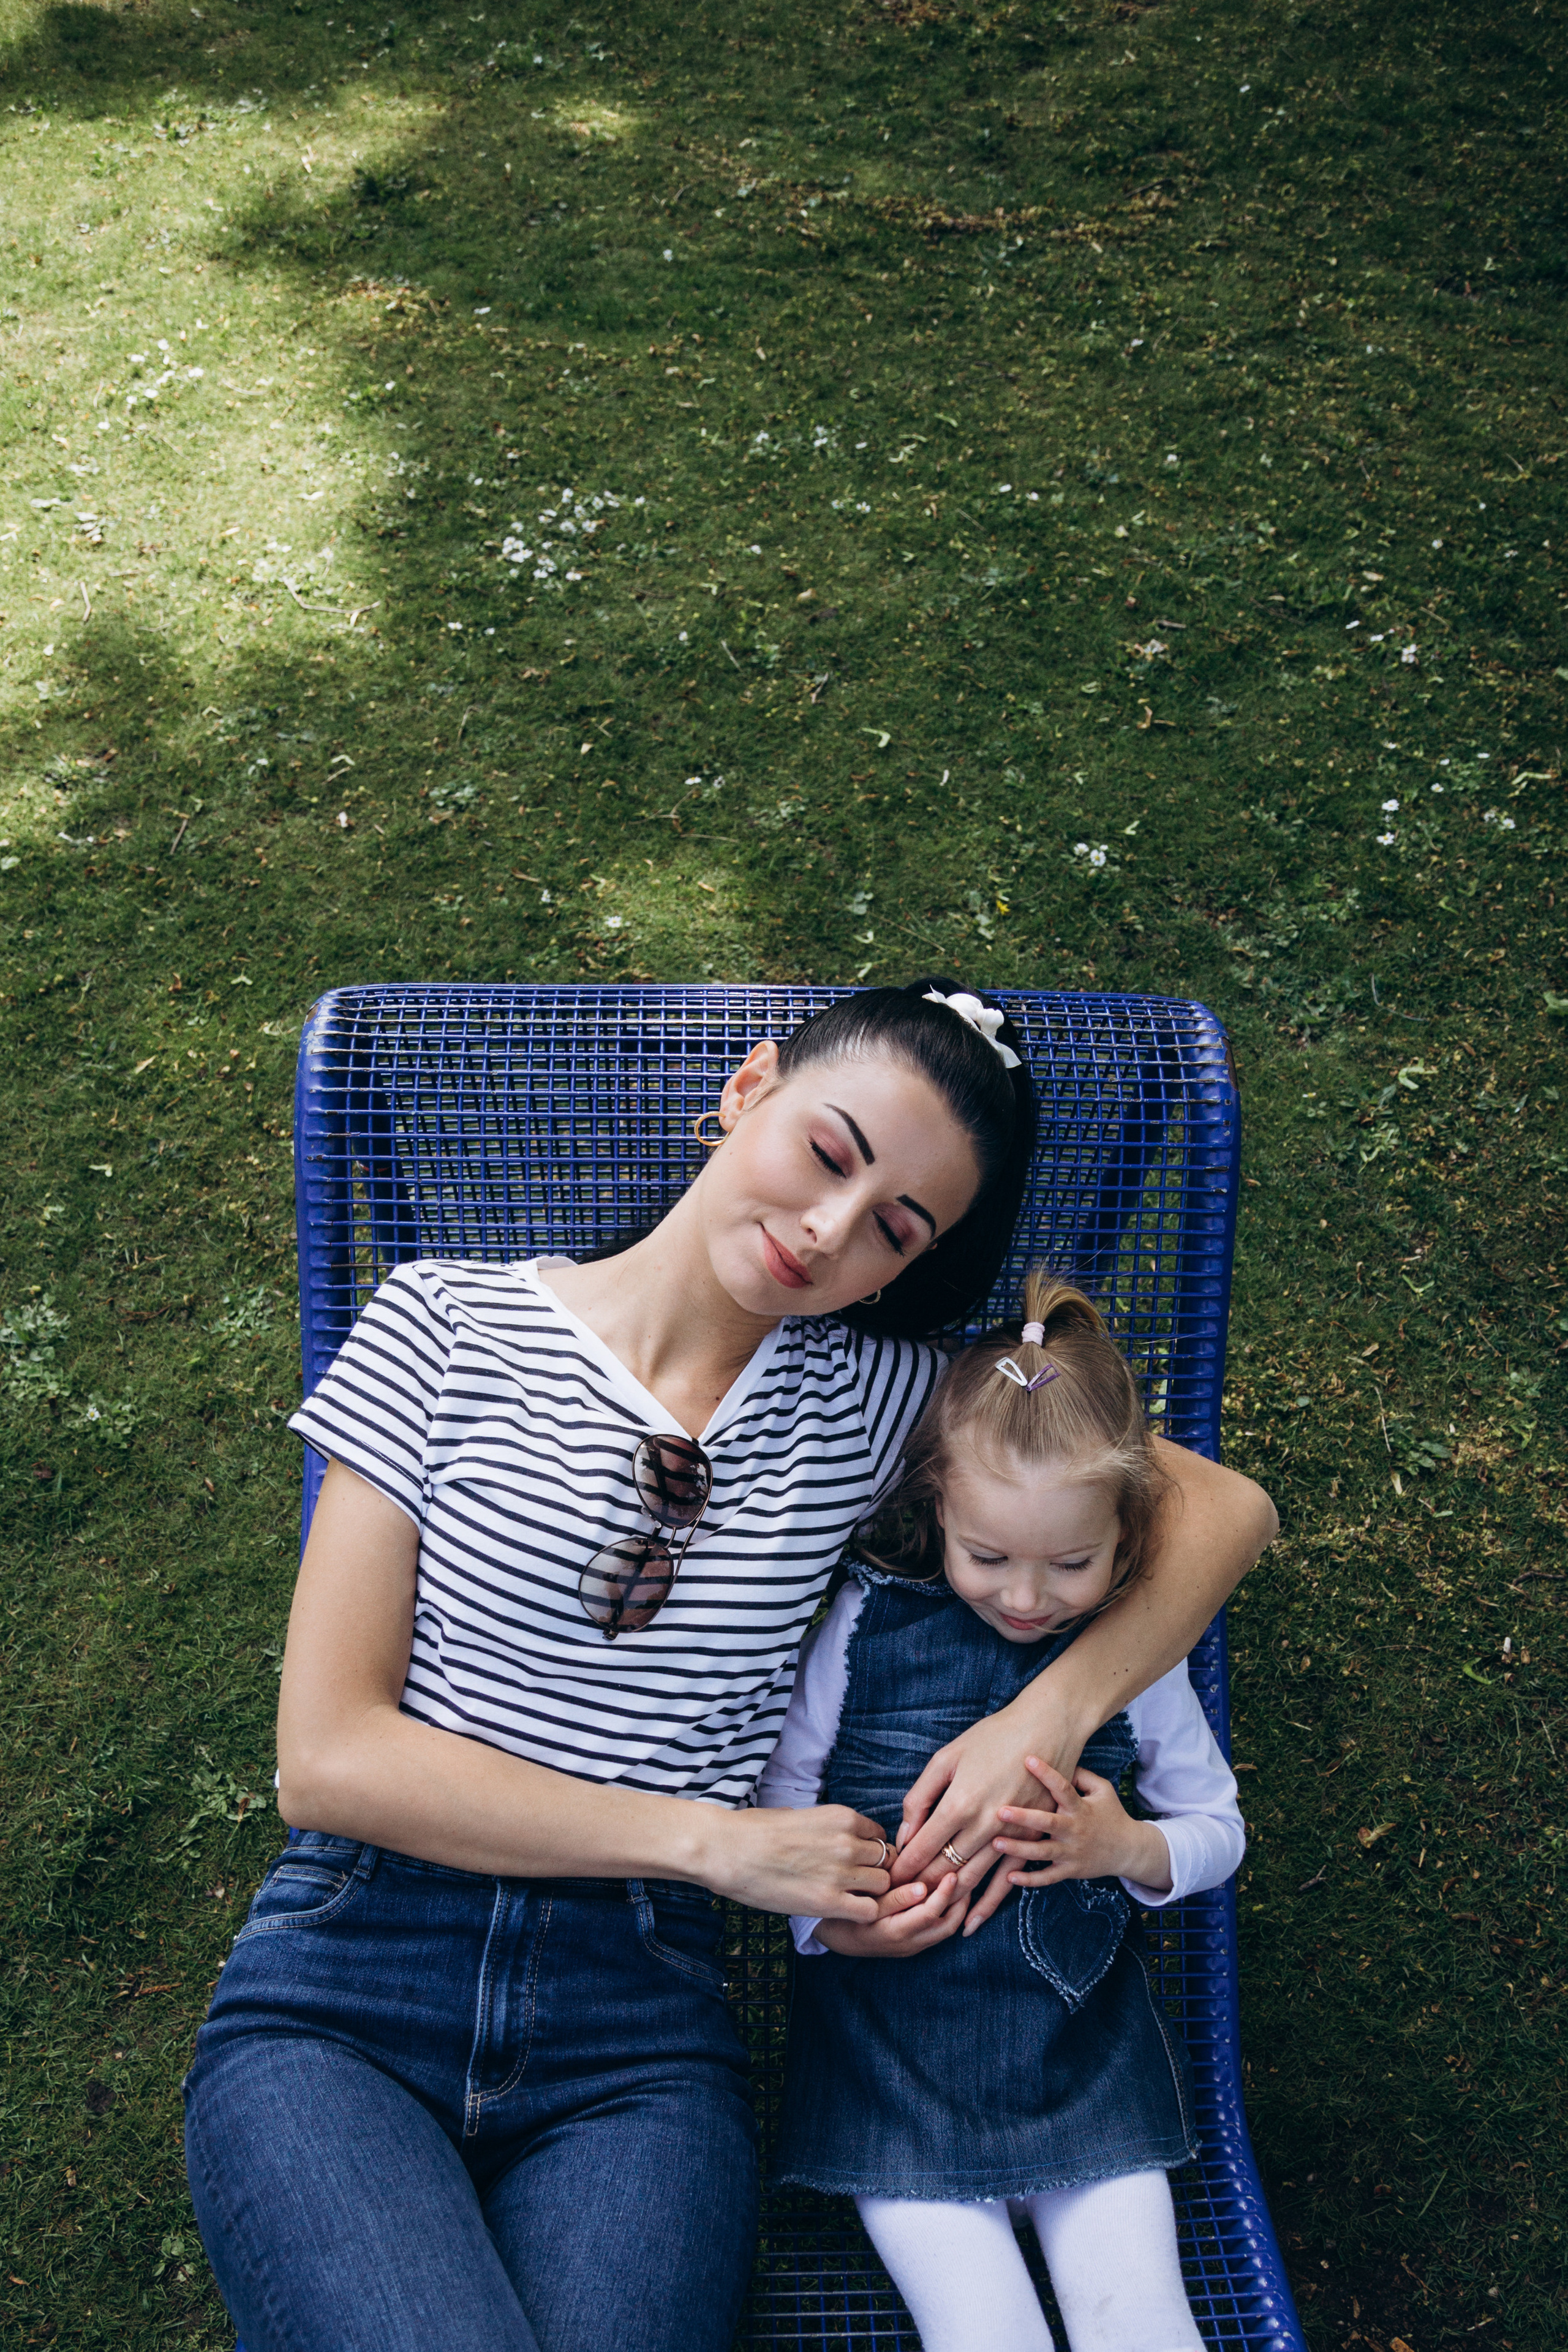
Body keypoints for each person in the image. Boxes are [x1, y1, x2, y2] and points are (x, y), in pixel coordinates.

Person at [182, 980, 1275, 2352]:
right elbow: (328, 1759)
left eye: (895, 1227)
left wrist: (1045, 1717)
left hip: (635, 2036)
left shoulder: (885, 1403)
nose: (829, 1232)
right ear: (749, 1087)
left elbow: (1225, 1514)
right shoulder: (439, 1324)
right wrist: (717, 1844)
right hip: (350, 1982)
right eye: (829, 1152)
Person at [758, 1272, 1252, 2352]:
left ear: (1130, 1542)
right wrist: (825, 1923)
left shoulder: (1135, 1664)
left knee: (1146, 2326)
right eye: (988, 1557)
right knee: (985, 2336)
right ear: (937, 1505)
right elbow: (782, 1795)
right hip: (894, 2075)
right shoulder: (862, 1625)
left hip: (1085, 2066)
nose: (1027, 1599)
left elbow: (1219, 1830)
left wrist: (1125, 1846)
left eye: (1072, 1565)